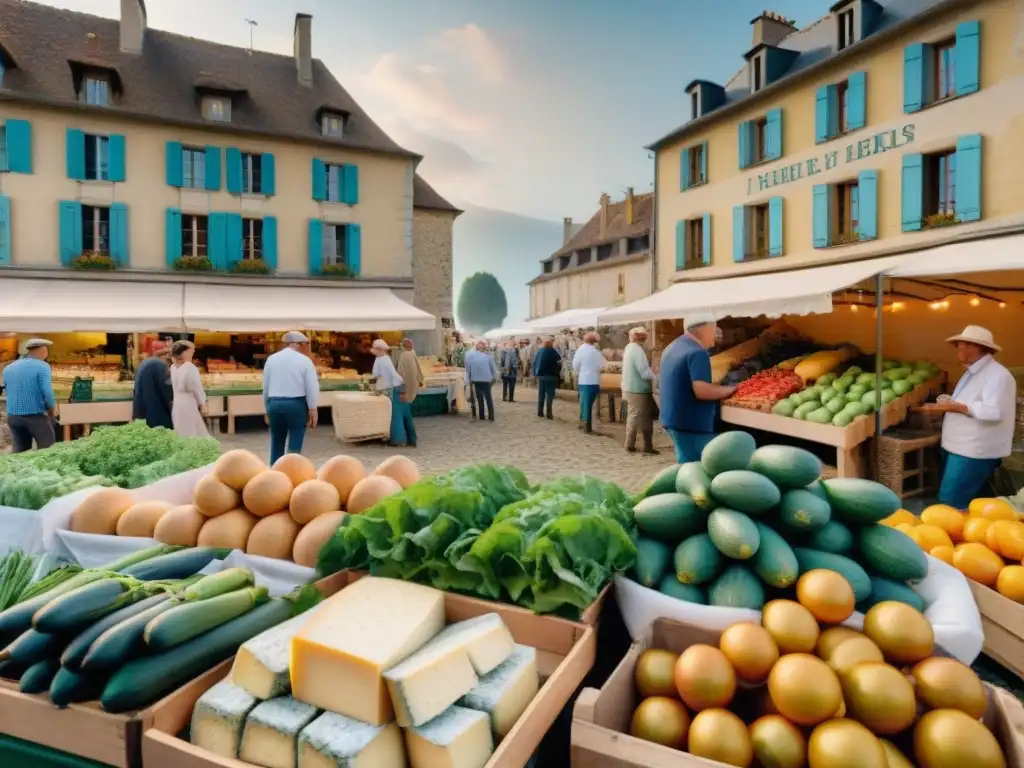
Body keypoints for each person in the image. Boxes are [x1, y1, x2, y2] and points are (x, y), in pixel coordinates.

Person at [915, 325, 1016, 509]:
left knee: (949, 502)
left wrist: (957, 407)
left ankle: (943, 536)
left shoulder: (998, 375)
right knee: (974, 503)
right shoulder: (972, 372)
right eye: (960, 344)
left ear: (982, 349)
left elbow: (993, 411)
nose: (960, 348)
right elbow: (967, 402)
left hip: (973, 451)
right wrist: (948, 404)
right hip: (959, 446)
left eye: (967, 345)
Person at [659, 315, 736, 463]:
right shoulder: (697, 352)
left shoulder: (671, 347)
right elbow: (702, 390)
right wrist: (730, 390)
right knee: (703, 468)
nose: (716, 333)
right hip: (692, 424)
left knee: (686, 466)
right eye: (714, 328)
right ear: (703, 329)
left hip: (673, 420)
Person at [262, 330, 320, 464]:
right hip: (296, 404)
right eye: (305, 345)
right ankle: (292, 472)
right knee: (295, 444)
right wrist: (313, 408)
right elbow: (311, 387)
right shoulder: (305, 361)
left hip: (274, 403)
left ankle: (275, 472)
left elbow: (265, 386)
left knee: (276, 442)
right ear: (299, 345)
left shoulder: (272, 359)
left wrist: (266, 408)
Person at [1, 338, 57, 453]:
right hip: (35, 416)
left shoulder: (8, 368)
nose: (47, 354)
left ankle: (17, 470)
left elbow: (7, 389)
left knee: (20, 453)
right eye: (46, 351)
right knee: (48, 451)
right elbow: (47, 392)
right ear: (42, 350)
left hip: (13, 417)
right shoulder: (43, 366)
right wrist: (52, 411)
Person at [622, 326, 659, 454]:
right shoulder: (637, 350)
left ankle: (644, 445)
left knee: (637, 416)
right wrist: (656, 377)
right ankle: (631, 444)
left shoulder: (629, 348)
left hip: (629, 387)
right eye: (644, 335)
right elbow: (644, 372)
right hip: (638, 389)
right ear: (640, 337)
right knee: (638, 417)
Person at [169, 341, 208, 438]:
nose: (192, 354)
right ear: (184, 353)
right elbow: (197, 387)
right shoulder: (190, 367)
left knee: (180, 428)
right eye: (191, 352)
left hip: (176, 402)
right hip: (188, 402)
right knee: (191, 428)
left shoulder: (172, 367)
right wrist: (202, 403)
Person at [370, 339, 406, 445]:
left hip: (387, 388)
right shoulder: (381, 358)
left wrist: (398, 384)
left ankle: (394, 437)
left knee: (389, 413)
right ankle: (386, 434)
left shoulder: (384, 360)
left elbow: (389, 374)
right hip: (384, 387)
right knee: (386, 413)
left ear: (380, 349)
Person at [132, 346, 173, 430]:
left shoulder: (144, 363)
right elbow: (168, 389)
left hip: (141, 411)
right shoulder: (160, 365)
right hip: (157, 413)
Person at [572, 331, 606, 434]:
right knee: (588, 404)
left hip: (583, 380)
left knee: (584, 403)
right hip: (594, 381)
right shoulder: (596, 352)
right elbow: (602, 366)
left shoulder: (580, 350)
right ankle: (585, 425)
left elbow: (575, 365)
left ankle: (584, 425)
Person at [395, 338, 423, 447]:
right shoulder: (412, 354)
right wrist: (420, 380)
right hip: (411, 386)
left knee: (406, 415)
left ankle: (410, 438)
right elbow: (418, 368)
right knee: (407, 413)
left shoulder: (404, 356)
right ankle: (412, 439)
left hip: (404, 389)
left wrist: (398, 387)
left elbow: (400, 372)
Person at [464, 340, 498, 422]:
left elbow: (468, 369)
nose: (480, 346)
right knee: (484, 398)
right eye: (479, 344)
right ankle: (487, 415)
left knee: (484, 397)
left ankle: (486, 415)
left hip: (481, 379)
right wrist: (494, 377)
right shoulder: (484, 356)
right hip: (481, 379)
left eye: (481, 344)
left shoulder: (472, 356)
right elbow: (493, 368)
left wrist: (494, 377)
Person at [533, 337, 562, 420]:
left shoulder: (540, 352)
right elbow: (560, 363)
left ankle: (540, 412)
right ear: (551, 344)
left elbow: (535, 363)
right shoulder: (554, 353)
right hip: (552, 377)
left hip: (541, 376)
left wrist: (536, 374)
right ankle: (549, 413)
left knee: (541, 394)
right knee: (550, 395)